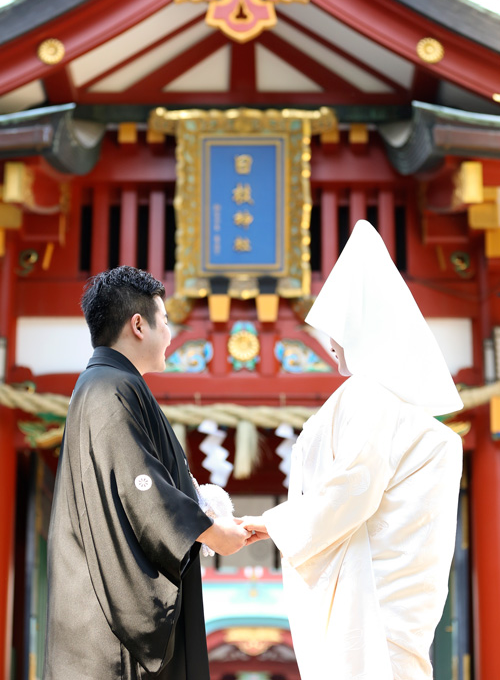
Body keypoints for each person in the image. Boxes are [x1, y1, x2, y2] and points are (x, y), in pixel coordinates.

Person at [244, 220, 464, 680]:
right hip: (394, 600)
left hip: (372, 597)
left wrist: (269, 523)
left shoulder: (370, 395)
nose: (329, 343)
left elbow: (352, 490)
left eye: (337, 327)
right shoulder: (400, 406)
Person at [43, 266, 250, 680]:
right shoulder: (108, 388)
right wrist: (211, 531)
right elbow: (141, 487)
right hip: (106, 636)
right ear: (139, 324)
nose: (171, 333)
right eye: (167, 320)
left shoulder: (107, 384)